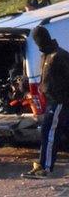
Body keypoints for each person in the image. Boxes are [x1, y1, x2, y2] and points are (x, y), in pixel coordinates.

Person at [23, 26, 69, 178]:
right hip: (51, 101)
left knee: (49, 133)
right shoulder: (45, 56)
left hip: (59, 101)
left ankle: (45, 167)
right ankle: (43, 165)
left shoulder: (59, 56)